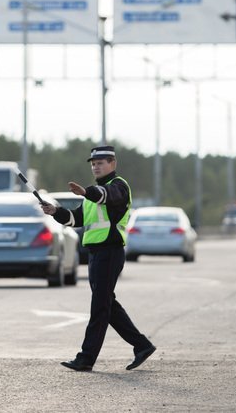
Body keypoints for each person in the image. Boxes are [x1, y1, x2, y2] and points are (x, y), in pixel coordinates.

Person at [41, 145, 156, 372]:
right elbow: (75, 219)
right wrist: (56, 211)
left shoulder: (118, 187)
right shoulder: (92, 193)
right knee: (107, 305)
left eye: (100, 163)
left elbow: (106, 197)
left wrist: (86, 192)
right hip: (95, 253)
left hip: (110, 252)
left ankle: (86, 358)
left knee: (100, 307)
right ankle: (142, 345)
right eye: (93, 164)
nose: (95, 166)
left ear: (112, 164)